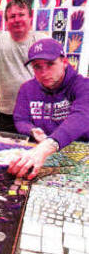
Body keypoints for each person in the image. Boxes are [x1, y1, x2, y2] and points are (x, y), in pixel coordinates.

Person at [8, 38, 89, 179]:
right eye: (37, 66)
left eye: (50, 64)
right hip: (42, 154)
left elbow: (82, 116)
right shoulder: (27, 88)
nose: (43, 72)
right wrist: (31, 130)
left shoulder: (82, 85)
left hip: (78, 153)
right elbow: (20, 119)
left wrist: (47, 145)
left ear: (64, 62)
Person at [0, 0, 47, 133]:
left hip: (37, 112)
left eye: (21, 15)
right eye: (12, 16)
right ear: (6, 22)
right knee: (9, 151)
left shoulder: (42, 40)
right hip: (7, 113)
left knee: (38, 150)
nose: (17, 19)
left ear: (30, 18)